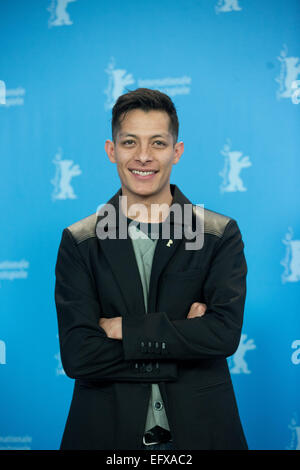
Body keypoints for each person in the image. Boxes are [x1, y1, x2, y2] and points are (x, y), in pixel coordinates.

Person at [54, 88, 248, 450]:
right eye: (130, 142)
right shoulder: (79, 241)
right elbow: (80, 355)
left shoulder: (217, 233)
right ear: (112, 150)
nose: (143, 156)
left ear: (177, 151)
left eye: (158, 143)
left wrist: (123, 329)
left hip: (204, 433)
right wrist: (183, 344)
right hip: (105, 435)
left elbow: (223, 335)